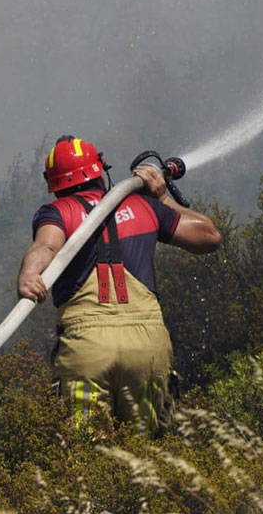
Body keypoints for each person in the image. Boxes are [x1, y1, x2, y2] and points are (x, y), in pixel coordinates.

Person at [15, 135, 221, 434]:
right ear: (100, 169)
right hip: (147, 347)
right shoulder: (143, 205)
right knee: (146, 453)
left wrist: (29, 275)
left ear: (54, 182)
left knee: (84, 456)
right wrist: (162, 198)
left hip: (87, 350)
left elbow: (46, 247)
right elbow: (210, 237)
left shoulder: (58, 213)